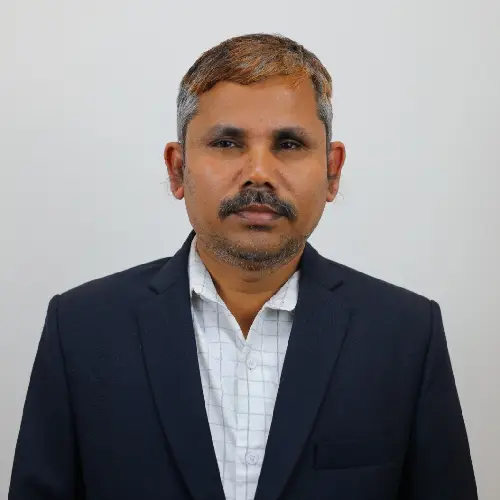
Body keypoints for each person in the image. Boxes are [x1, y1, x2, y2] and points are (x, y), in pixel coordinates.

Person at [9, 33, 477, 500]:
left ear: (332, 171)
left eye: (289, 143)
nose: (259, 173)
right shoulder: (81, 329)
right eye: (227, 142)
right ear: (177, 168)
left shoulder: (406, 334)